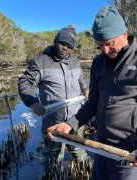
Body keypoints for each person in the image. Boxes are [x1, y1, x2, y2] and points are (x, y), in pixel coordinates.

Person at [47, 6, 137, 180]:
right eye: (100, 45)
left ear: (124, 35)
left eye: (109, 43)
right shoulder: (99, 62)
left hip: (130, 149)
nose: (105, 50)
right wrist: (69, 125)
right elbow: (93, 102)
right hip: (100, 144)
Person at [18, 25, 89, 175]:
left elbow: (82, 80)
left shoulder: (75, 62)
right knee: (53, 157)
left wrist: (86, 88)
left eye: (69, 45)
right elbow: (25, 82)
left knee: (79, 152)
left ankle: (84, 175)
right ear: (55, 41)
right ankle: (52, 175)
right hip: (52, 120)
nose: (65, 48)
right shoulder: (40, 61)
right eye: (62, 43)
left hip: (76, 118)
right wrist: (33, 102)